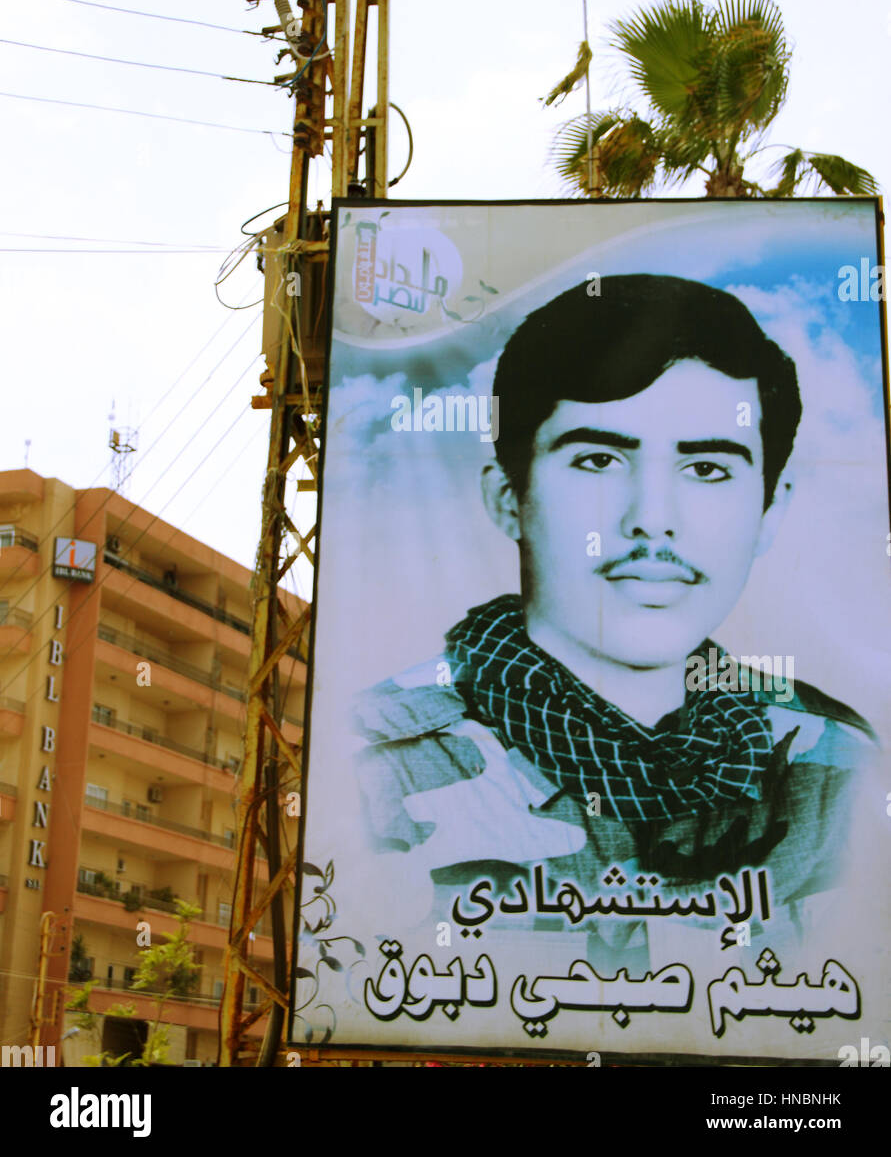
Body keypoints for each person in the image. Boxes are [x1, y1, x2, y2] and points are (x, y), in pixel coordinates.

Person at [352, 275, 877, 959]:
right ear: (509, 498)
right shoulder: (369, 760)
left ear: (768, 511)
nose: (651, 522)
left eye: (708, 469)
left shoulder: (844, 769)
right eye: (598, 459)